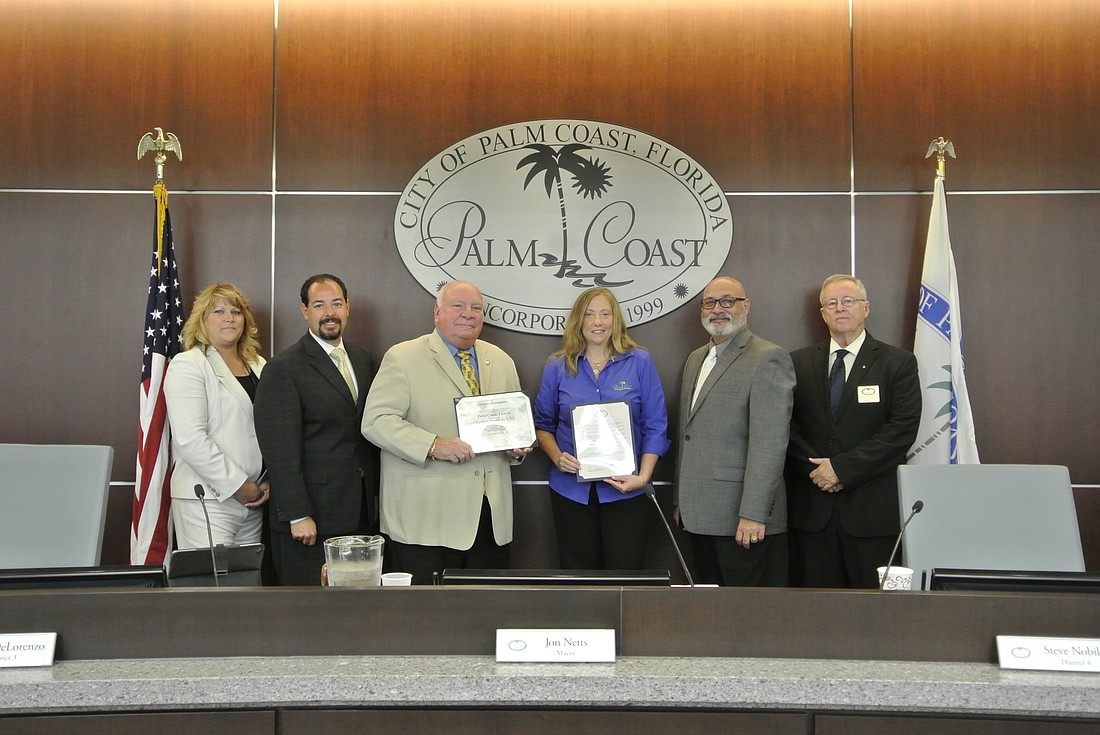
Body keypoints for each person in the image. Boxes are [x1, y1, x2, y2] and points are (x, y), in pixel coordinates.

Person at [361, 281, 532, 585]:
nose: (469, 314)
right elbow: (376, 421)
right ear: (437, 312)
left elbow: (510, 427)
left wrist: (514, 447)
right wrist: (433, 445)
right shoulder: (402, 358)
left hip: (487, 522)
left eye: (476, 307)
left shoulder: (502, 361)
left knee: (485, 614)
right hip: (427, 521)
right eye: (458, 306)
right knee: (426, 620)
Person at [786, 274, 922, 589]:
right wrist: (819, 471)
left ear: (866, 308)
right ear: (822, 314)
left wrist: (841, 469)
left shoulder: (897, 363)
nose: (840, 308)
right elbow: (785, 427)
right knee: (816, 613)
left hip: (872, 516)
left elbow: (901, 430)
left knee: (874, 615)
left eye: (849, 301)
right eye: (831, 303)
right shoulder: (798, 363)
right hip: (812, 514)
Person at [533, 287, 670, 570]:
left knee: (626, 577)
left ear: (615, 320)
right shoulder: (557, 366)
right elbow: (542, 425)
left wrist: (642, 477)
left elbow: (655, 424)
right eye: (590, 314)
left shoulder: (640, 361)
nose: (598, 322)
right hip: (570, 492)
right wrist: (557, 457)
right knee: (579, 580)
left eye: (605, 314)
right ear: (578, 322)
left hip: (627, 489)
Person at [254, 274, 377, 586]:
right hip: (311, 520)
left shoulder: (363, 359)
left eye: (336, 304)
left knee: (355, 612)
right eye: (319, 305)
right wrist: (297, 514)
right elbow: (279, 450)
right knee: (308, 614)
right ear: (304, 311)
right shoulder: (284, 368)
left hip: (360, 512)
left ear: (348, 308)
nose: (329, 313)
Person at [673, 277, 795, 586]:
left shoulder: (768, 357)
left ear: (746, 306)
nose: (718, 310)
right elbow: (688, 435)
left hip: (741, 521)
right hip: (698, 516)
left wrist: (754, 513)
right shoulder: (695, 359)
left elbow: (770, 443)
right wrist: (680, 501)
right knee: (709, 614)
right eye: (710, 303)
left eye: (728, 301)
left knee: (747, 618)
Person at [165, 283, 269, 549]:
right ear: (202, 321)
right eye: (219, 311)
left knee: (246, 586)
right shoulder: (188, 365)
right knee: (212, 588)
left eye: (236, 311)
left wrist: (268, 482)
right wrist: (239, 485)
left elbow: (275, 429)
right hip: (206, 500)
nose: (229, 318)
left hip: (256, 498)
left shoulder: (259, 365)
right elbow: (190, 439)